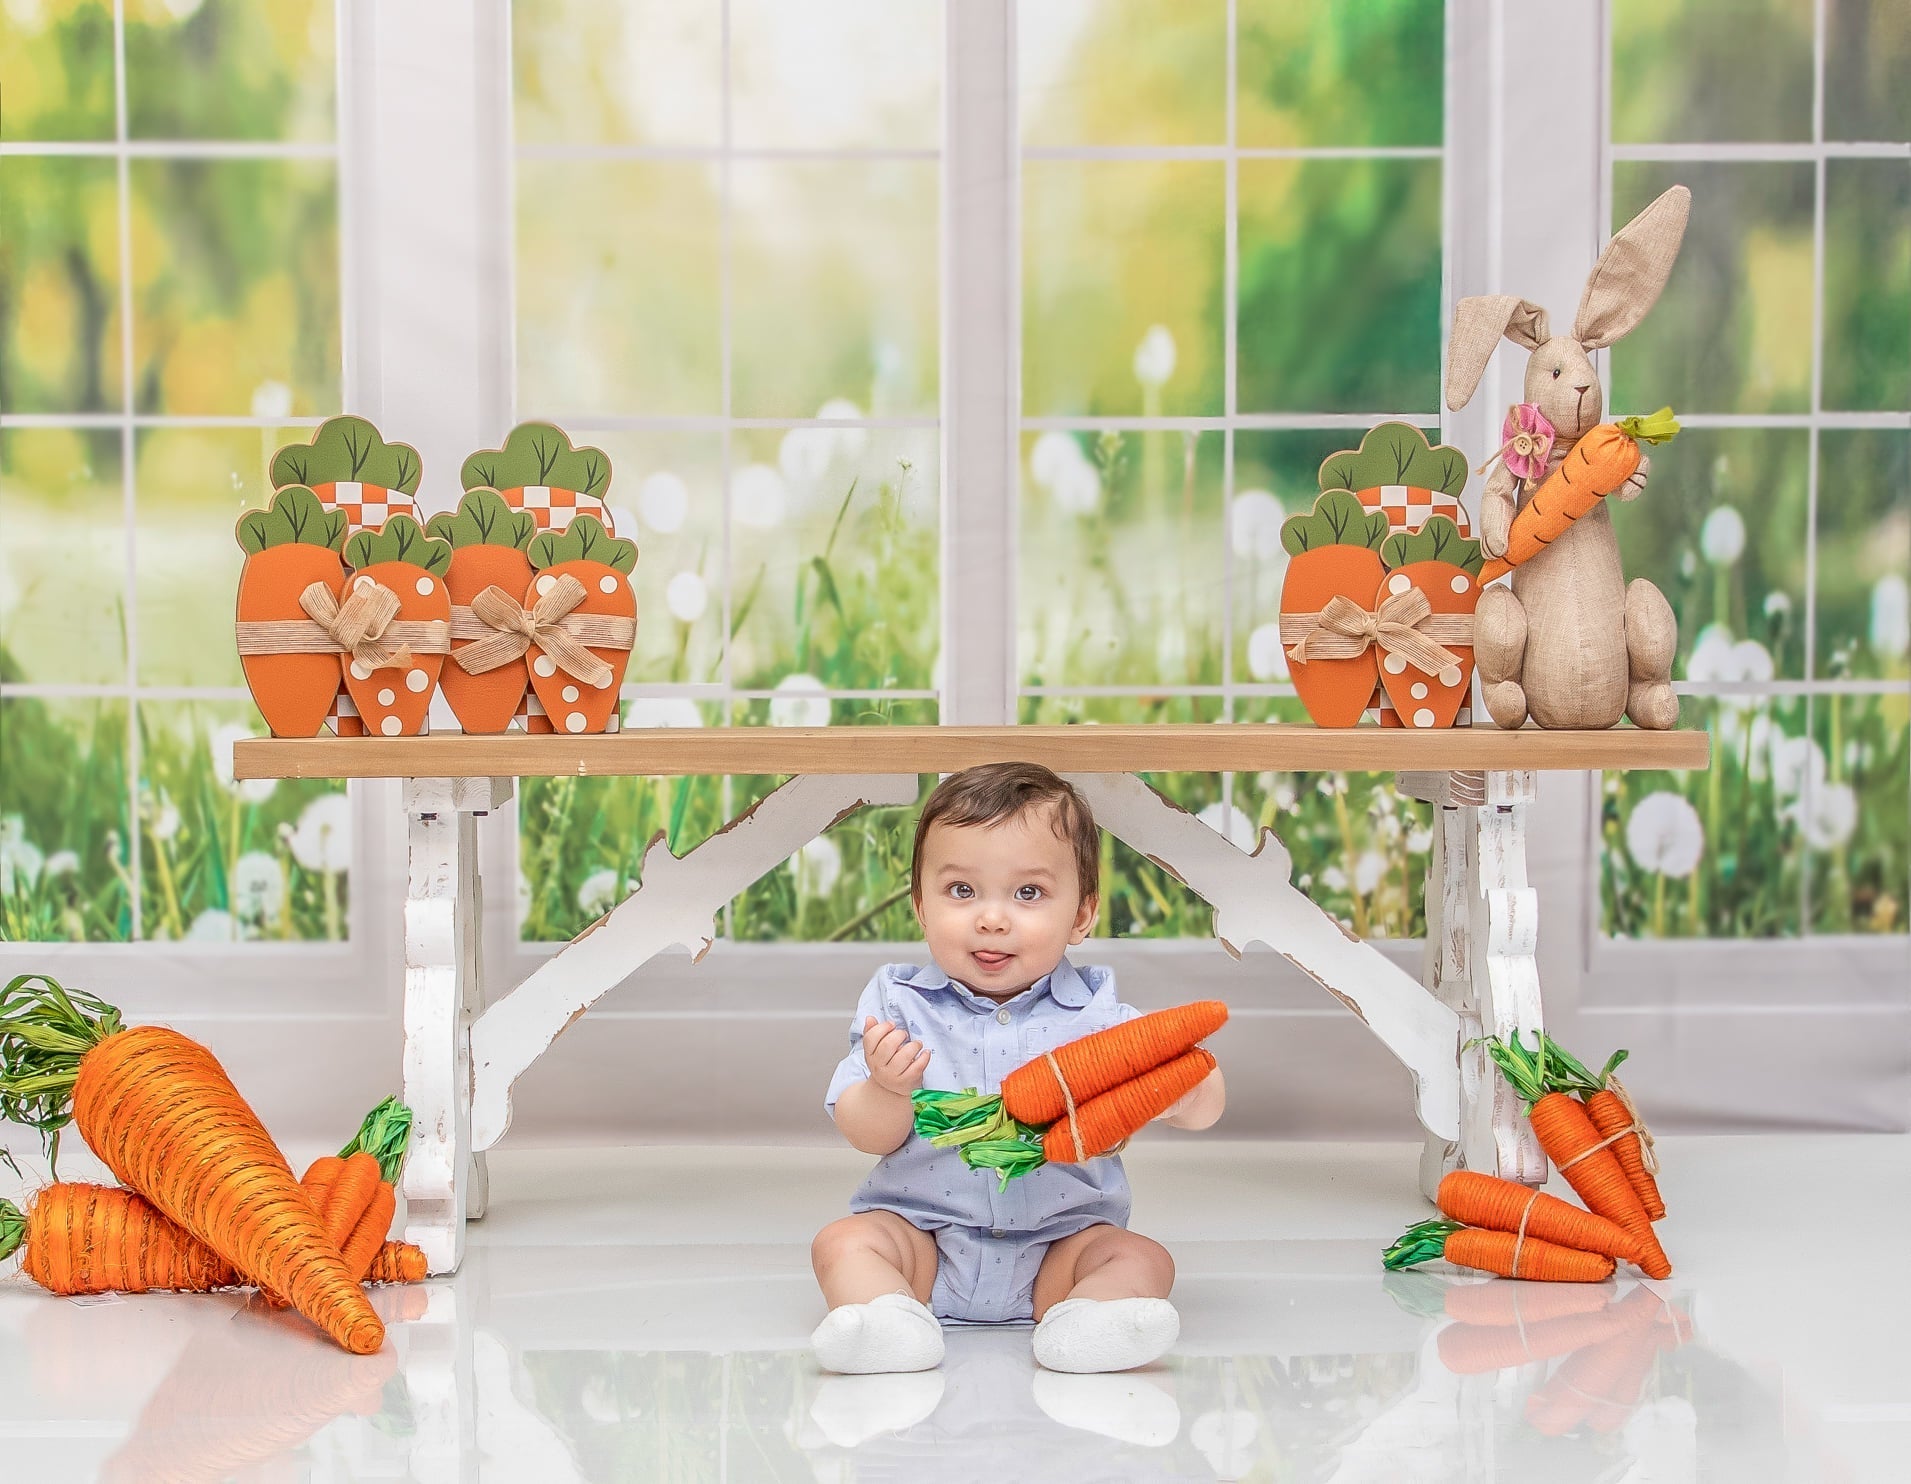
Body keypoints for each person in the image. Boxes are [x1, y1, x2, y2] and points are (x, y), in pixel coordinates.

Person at [810, 762, 1226, 1375]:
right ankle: (889, 1321)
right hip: (926, 1242)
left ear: (1082, 915)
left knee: (1142, 1257)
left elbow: (1205, 1102)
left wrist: (1176, 1094)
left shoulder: (1100, 1017)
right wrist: (886, 1088)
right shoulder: (898, 1005)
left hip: (1060, 1246)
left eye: (1028, 893)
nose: (992, 918)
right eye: (962, 891)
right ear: (920, 906)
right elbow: (864, 1134)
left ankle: (1088, 1321)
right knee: (842, 1243)